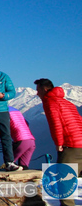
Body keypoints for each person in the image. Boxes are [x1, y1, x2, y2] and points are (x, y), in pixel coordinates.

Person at [35, 78, 82, 206]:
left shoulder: (50, 101)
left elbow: (56, 124)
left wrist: (59, 143)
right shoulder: (67, 102)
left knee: (64, 184)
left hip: (71, 145)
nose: (37, 93)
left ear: (45, 90)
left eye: (38, 90)